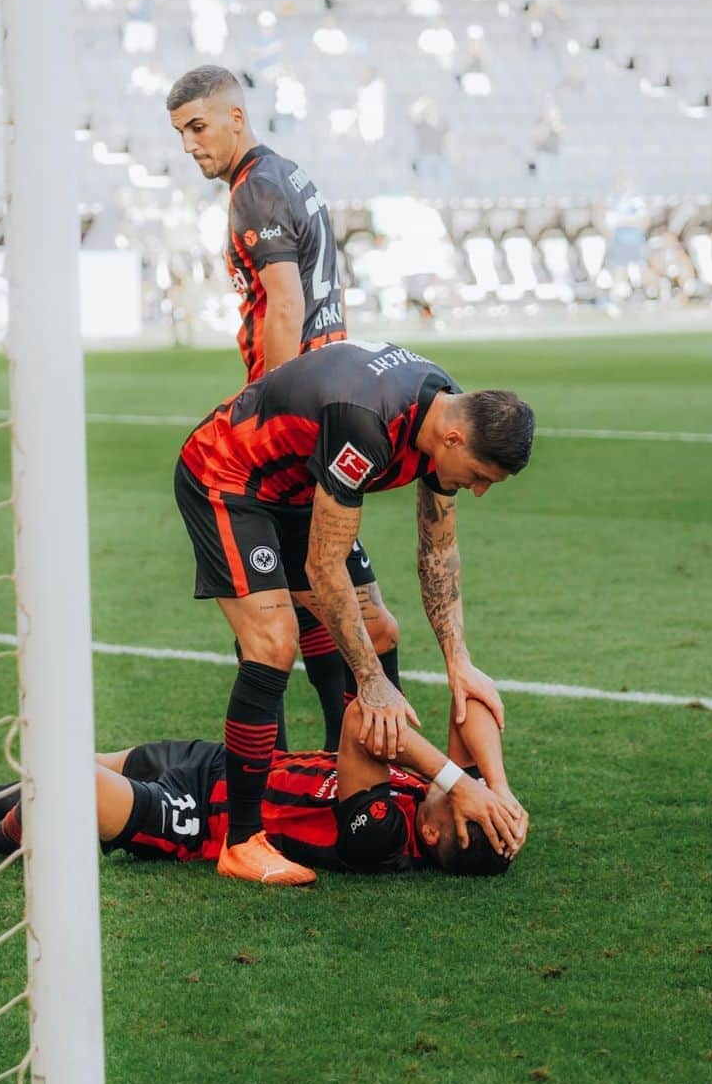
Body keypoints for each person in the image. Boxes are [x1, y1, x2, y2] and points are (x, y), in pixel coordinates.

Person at [174, 338, 535, 886]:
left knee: (379, 629)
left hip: (298, 488)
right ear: (456, 439)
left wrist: (460, 662)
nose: (480, 490)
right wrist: (371, 681)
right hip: (230, 477)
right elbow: (325, 566)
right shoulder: (368, 424)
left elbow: (437, 550)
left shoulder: (446, 414)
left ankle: (354, 772)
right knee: (273, 642)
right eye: (482, 475)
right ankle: (243, 840)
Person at [166, 63, 397, 753]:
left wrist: (270, 406)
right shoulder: (291, 176)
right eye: (180, 133)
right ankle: (345, 764)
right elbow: (329, 291)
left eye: (198, 127)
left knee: (278, 625)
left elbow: (287, 304)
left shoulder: (253, 193)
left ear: (236, 117)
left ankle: (303, 776)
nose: (189, 145)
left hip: (295, 423)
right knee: (328, 607)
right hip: (325, 404)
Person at [0, 690, 528, 877]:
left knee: (73, 782)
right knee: (85, 761)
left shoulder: (385, 837)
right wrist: (496, 787)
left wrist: (455, 779)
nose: (465, 790)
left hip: (204, 821)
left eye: (468, 807)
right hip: (228, 770)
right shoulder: (449, 798)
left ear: (431, 829)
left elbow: (360, 718)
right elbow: (468, 706)